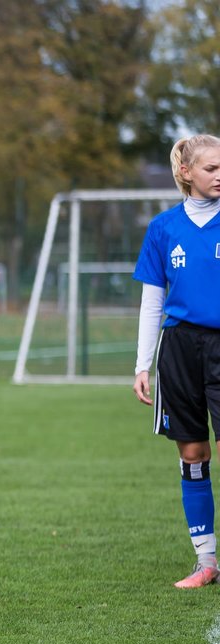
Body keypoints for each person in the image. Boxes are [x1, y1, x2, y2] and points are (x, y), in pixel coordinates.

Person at [134, 133, 220, 588]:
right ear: (186, 173)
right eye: (211, 168)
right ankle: (206, 563)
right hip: (180, 350)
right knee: (193, 455)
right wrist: (141, 366)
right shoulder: (163, 228)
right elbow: (153, 301)